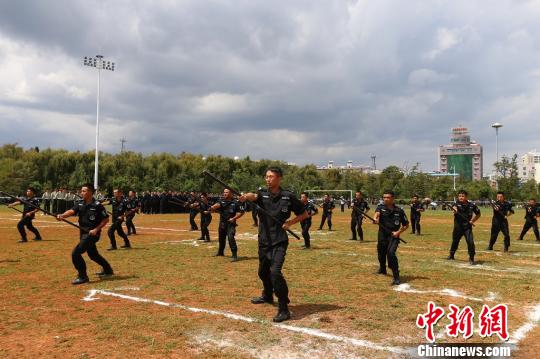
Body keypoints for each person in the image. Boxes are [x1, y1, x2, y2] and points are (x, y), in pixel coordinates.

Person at [240, 167, 308, 322]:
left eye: (270, 176)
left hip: (279, 241)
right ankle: (267, 294)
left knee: (275, 273)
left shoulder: (288, 196)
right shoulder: (262, 194)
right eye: (266, 177)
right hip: (264, 241)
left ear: (279, 178)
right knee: (263, 272)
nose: (267, 179)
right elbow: (253, 196)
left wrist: (290, 222)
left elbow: (304, 214)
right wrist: (246, 197)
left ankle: (284, 308)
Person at [57, 183, 113, 285]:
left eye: (84, 191)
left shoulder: (97, 205)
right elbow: (71, 211)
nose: (81, 193)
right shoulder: (80, 203)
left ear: (90, 192)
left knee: (76, 253)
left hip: (92, 234)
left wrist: (96, 229)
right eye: (81, 191)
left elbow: (106, 219)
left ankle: (83, 276)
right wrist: (62, 215)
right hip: (83, 233)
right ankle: (108, 269)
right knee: (93, 255)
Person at [373, 190, 409, 285]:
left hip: (394, 236)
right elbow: (376, 214)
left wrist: (398, 232)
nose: (385, 199)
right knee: (381, 253)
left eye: (388, 197)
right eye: (384, 197)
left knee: (391, 254)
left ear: (393, 198)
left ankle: (396, 277)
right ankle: (382, 269)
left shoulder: (399, 211)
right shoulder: (380, 207)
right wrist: (375, 219)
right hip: (382, 235)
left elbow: (406, 225)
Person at [210, 189, 244, 261]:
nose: (225, 194)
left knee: (230, 237)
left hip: (231, 223)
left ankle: (234, 255)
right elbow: (217, 205)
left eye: (227, 192)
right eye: (224, 192)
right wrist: (213, 207)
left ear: (231, 193)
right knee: (221, 238)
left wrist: (234, 218)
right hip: (222, 223)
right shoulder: (221, 201)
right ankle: (220, 252)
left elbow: (241, 212)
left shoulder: (236, 202)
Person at [448, 190, 480, 265]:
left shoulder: (472, 205)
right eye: (459, 196)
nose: (461, 197)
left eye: (462, 196)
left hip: (467, 227)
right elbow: (454, 208)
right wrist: (454, 210)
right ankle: (451, 255)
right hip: (458, 227)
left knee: (470, 242)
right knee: (455, 241)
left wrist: (472, 220)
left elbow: (478, 214)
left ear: (466, 197)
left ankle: (471, 258)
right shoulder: (456, 203)